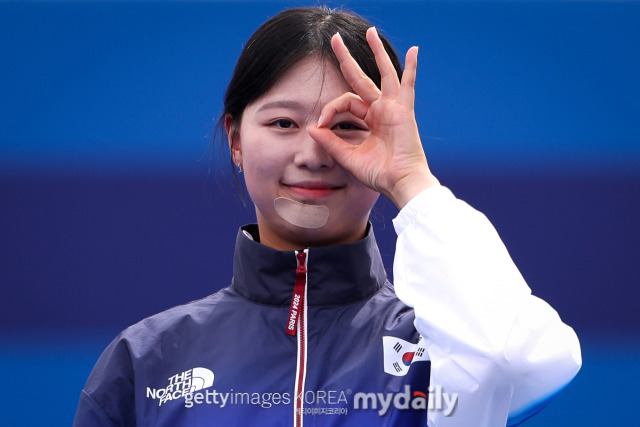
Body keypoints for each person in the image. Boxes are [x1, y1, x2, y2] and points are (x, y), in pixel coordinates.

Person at [73, 6, 581, 427]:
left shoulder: (440, 345)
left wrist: (410, 180)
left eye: (345, 125)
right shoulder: (147, 360)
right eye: (283, 122)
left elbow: (517, 360)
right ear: (235, 140)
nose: (313, 153)